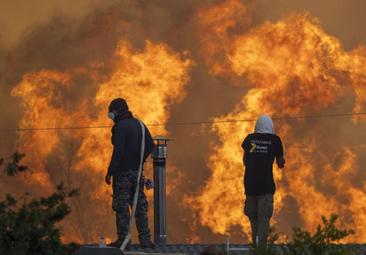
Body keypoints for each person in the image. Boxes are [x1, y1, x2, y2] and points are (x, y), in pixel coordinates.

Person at [105, 98, 155, 249]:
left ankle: (123, 240)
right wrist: (140, 160)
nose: (110, 114)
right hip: (137, 172)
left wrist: (110, 172)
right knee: (139, 205)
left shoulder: (120, 127)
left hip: (122, 174)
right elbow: (150, 145)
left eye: (111, 111)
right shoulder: (140, 124)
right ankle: (145, 240)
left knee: (121, 207)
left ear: (116, 111)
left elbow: (118, 152)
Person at [241, 115, 285, 247]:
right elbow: (280, 163)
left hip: (250, 187)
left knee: (253, 219)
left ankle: (255, 245)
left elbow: (244, 161)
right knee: (264, 219)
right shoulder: (275, 140)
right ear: (271, 127)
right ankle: (262, 249)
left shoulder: (249, 139)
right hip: (266, 187)